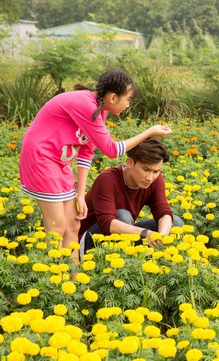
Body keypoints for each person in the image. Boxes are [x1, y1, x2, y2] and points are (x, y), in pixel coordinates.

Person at [19, 68, 172, 256]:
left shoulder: (100, 110)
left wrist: (81, 194)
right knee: (57, 226)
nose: (128, 105)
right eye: (128, 99)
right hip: (41, 158)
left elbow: (86, 152)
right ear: (114, 97)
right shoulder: (86, 105)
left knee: (73, 224)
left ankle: (73, 278)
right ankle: (53, 277)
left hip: (60, 162)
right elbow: (111, 150)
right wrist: (149, 132)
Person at [78, 137, 183, 255]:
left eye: (156, 171)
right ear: (129, 162)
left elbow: (163, 211)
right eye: (146, 169)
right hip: (89, 241)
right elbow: (107, 223)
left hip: (124, 236)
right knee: (122, 215)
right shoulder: (107, 179)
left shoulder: (155, 180)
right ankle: (128, 261)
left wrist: (161, 236)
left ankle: (147, 263)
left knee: (175, 223)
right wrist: (145, 234)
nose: (150, 177)